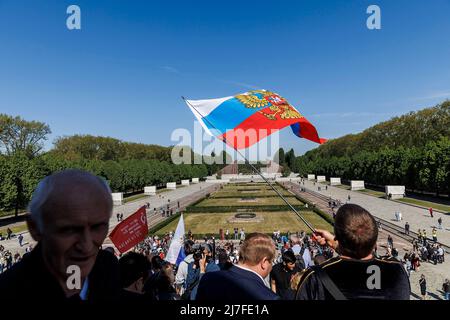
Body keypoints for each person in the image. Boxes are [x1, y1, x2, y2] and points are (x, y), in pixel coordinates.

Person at [0, 169, 121, 301]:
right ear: (34, 228)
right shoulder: (8, 292)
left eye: (97, 227)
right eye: (69, 229)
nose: (86, 246)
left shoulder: (108, 266)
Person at [295, 204, 410, 300]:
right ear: (374, 240)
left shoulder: (315, 278)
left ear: (337, 237)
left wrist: (339, 244)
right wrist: (339, 244)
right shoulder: (396, 270)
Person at [196, 233, 279, 301]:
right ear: (264, 262)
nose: (271, 266)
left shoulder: (208, 278)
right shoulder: (270, 297)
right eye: (270, 262)